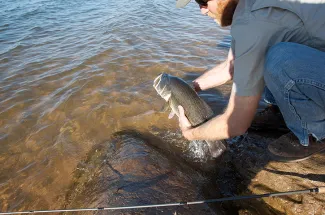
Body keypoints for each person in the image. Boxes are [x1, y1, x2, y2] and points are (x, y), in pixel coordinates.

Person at [175, 0, 325, 162]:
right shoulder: (248, 9)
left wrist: (190, 133)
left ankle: (314, 134)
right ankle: (283, 115)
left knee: (280, 59)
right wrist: (189, 89)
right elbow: (231, 66)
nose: (202, 11)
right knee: (258, 59)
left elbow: (236, 123)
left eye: (203, 1)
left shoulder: (252, 22)